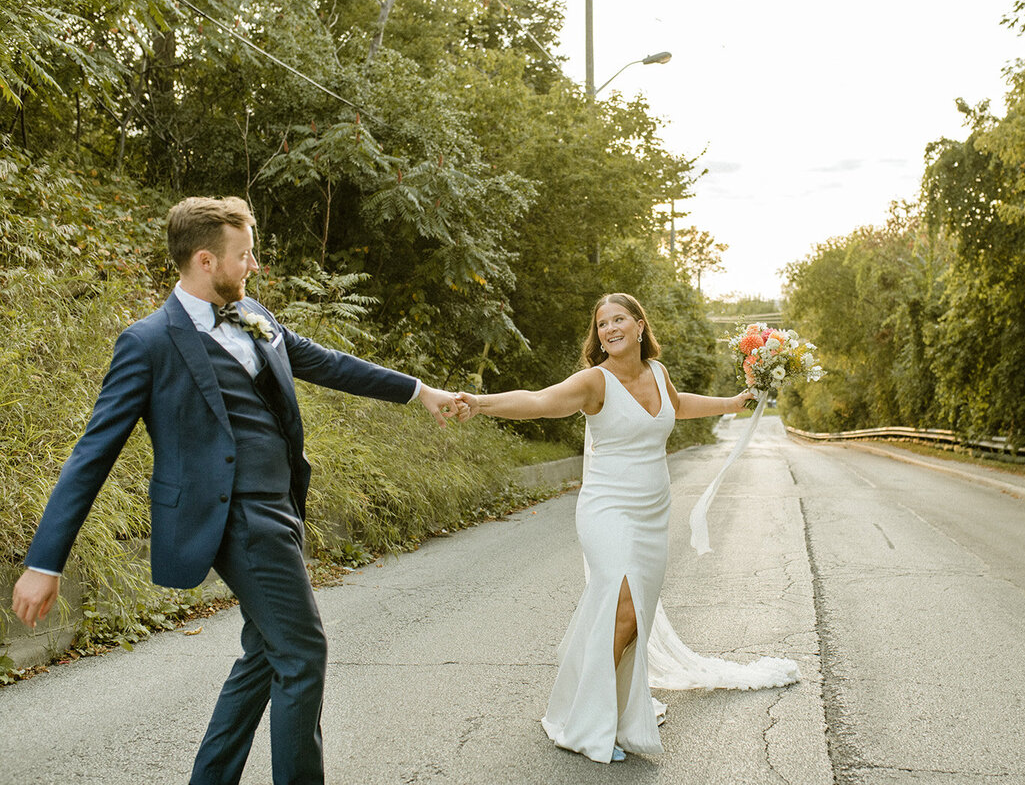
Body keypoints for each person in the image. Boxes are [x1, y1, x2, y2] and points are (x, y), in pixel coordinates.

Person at [9, 196, 466, 785]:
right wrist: (46, 561)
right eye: (245, 255)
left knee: (265, 656)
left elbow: (328, 363)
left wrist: (419, 391)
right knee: (304, 654)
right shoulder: (148, 343)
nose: (253, 266)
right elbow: (92, 455)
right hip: (238, 518)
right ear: (205, 260)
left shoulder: (256, 318)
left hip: (279, 506)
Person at [458, 292, 752, 763]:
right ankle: (588, 721)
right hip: (607, 510)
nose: (609, 329)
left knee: (635, 617)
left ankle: (607, 708)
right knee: (622, 607)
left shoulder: (657, 373)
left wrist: (733, 403)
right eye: (601, 324)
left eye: (619, 320)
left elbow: (679, 406)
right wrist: (481, 403)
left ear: (639, 325)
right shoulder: (596, 382)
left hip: (654, 512)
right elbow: (538, 401)